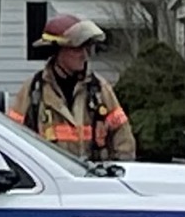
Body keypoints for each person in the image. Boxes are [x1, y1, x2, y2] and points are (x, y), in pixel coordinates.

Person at [15, 12, 137, 164]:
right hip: (50, 183)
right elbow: (12, 139)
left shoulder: (100, 90)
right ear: (58, 50)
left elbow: (124, 142)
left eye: (87, 49)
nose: (85, 56)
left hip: (92, 182)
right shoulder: (33, 91)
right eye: (78, 49)